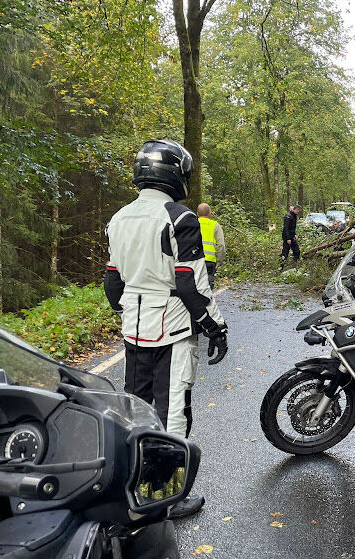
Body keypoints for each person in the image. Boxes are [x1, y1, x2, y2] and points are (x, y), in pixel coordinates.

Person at [103, 139, 229, 519]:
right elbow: (191, 282)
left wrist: (130, 308)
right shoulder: (179, 217)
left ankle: (132, 486)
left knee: (136, 409)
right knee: (173, 410)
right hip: (172, 328)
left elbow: (112, 283)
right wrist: (215, 326)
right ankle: (165, 498)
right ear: (176, 174)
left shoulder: (119, 218)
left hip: (134, 326)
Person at [197, 203, 226, 288]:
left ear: (197, 214)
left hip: (195, 259)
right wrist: (219, 262)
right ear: (210, 213)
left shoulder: (193, 223)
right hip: (210, 261)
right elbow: (221, 245)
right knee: (208, 286)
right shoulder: (215, 225)